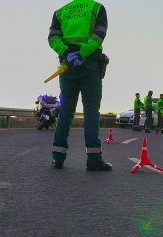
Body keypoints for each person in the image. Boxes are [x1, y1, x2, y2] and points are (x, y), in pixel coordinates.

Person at [47, 0, 112, 171]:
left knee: (66, 111)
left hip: (67, 66)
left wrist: (66, 53)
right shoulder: (97, 8)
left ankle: (57, 157)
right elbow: (99, 35)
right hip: (89, 64)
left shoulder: (61, 12)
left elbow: (53, 38)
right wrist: (83, 53)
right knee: (91, 109)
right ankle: (94, 159)